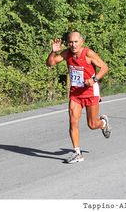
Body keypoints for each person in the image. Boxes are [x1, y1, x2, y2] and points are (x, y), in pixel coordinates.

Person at [46, 32, 111, 163]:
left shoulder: (88, 54)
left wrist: (94, 79)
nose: (73, 45)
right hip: (75, 93)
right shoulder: (67, 53)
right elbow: (50, 63)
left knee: (92, 125)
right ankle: (77, 153)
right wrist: (53, 52)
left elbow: (104, 67)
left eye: (76, 42)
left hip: (90, 91)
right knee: (73, 121)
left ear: (82, 42)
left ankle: (103, 123)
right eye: (70, 42)